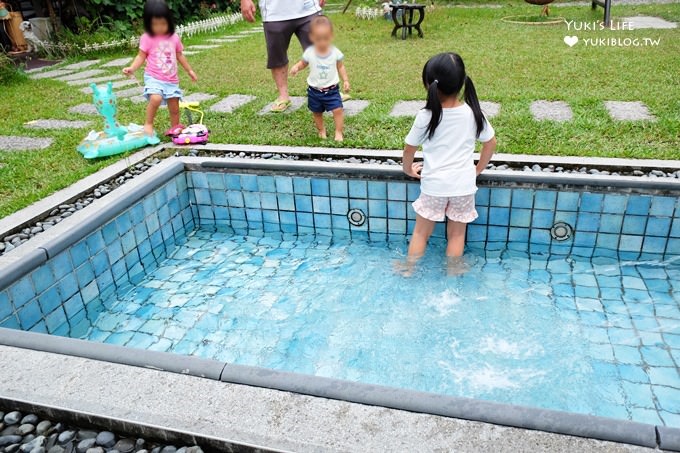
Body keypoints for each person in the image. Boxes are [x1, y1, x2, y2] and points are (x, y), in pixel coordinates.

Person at [402, 52, 497, 261]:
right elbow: (490, 143)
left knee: (421, 233)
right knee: (456, 235)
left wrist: (408, 169)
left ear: (429, 84)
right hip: (463, 186)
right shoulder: (473, 113)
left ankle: (408, 270)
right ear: (462, 82)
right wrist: (478, 169)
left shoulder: (426, 115)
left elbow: (410, 148)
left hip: (434, 186)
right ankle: (453, 276)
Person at [122, 0, 198, 137]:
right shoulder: (147, 38)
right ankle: (148, 123)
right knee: (155, 98)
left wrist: (189, 70)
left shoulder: (174, 38)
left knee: (174, 107)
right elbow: (141, 56)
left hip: (171, 80)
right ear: (148, 24)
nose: (159, 28)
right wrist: (132, 68)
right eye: (155, 24)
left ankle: (175, 128)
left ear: (169, 21)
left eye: (163, 24)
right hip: (154, 77)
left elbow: (179, 55)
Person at [240, 0, 325, 112]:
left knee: (321, 49)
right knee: (277, 55)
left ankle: (327, 90)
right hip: (274, 12)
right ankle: (283, 96)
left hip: (308, 7)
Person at [290, 15, 350, 141]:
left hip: (332, 90)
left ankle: (338, 132)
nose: (322, 42)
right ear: (312, 37)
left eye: (326, 39)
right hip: (314, 91)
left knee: (338, 110)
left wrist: (345, 80)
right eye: (318, 39)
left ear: (331, 37)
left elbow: (341, 67)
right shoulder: (309, 52)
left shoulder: (335, 53)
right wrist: (296, 67)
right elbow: (303, 63)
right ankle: (321, 130)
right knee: (317, 112)